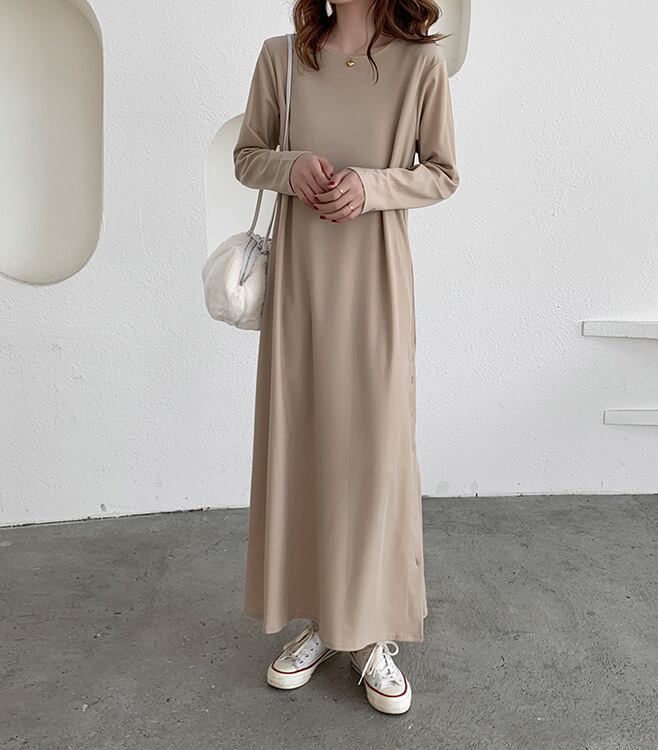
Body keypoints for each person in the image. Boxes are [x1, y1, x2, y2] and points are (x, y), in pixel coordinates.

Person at [233, 0, 459, 715]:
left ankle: (369, 632)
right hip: (301, 286)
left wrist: (373, 185)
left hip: (377, 281)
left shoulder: (421, 63)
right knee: (305, 445)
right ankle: (324, 621)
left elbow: (443, 173)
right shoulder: (282, 57)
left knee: (375, 452)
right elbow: (247, 157)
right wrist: (290, 167)